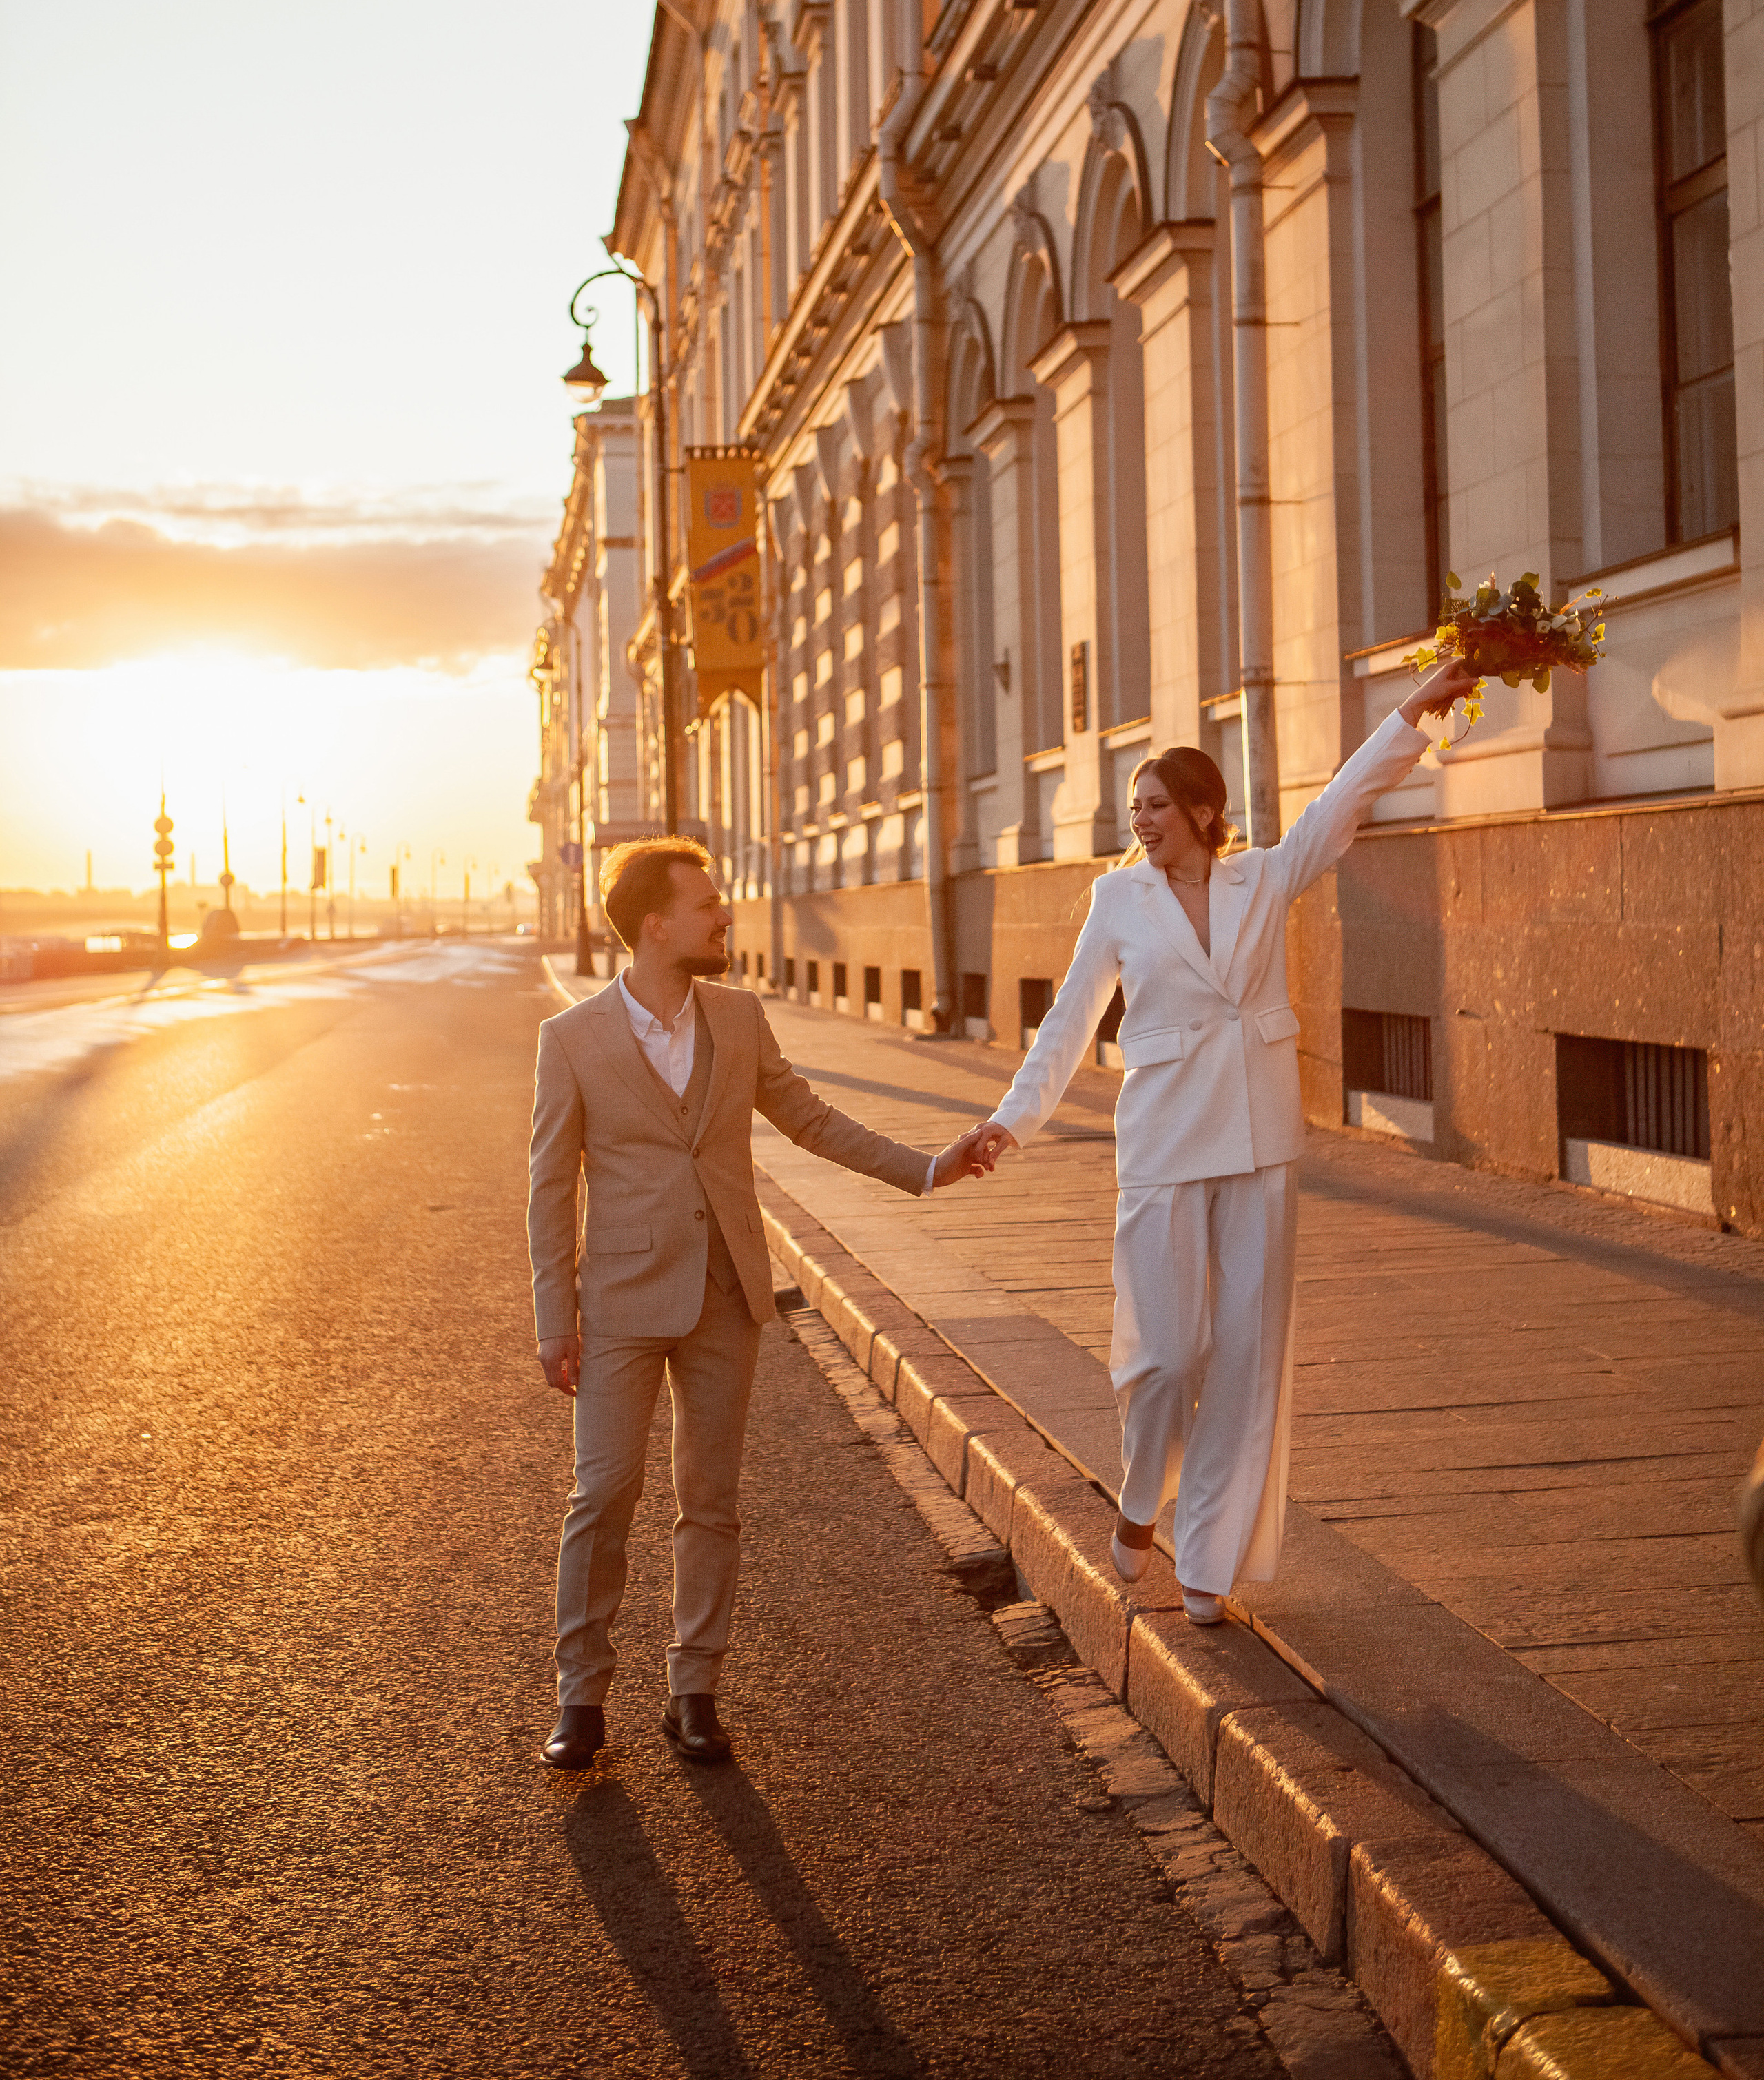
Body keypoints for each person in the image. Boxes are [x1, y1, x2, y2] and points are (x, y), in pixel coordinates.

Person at [965, 664, 1477, 1626]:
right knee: (1162, 1353)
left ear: (1205, 810)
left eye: (1157, 804)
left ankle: (1206, 1558)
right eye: (1134, 807)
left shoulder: (1264, 876)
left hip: (1258, 1141)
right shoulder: (1119, 900)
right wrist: (1012, 1120)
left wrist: (1422, 703)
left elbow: (1344, 798)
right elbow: (1070, 1020)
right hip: (1161, 1143)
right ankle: (1139, 1495)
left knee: (1246, 1358)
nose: (1142, 820)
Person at [526, 835, 996, 1771]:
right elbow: (549, 1187)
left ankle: (693, 1692)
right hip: (618, 1301)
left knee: (712, 1500)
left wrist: (927, 1167)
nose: (725, 916)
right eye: (708, 906)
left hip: (726, 1294)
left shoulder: (738, 1020)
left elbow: (809, 1118)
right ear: (656, 927)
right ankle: (581, 1699)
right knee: (604, 1493)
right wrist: (555, 1319)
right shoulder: (571, 1039)